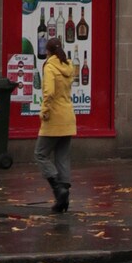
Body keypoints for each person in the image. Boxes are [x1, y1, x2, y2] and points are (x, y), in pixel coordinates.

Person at [34, 35, 78, 214]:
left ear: (48, 52)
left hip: (54, 118)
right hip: (68, 116)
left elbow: (49, 92)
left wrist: (44, 111)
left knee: (40, 154)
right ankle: (63, 198)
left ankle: (57, 189)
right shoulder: (68, 66)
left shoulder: (50, 67)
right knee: (62, 157)